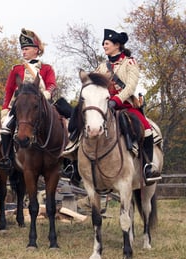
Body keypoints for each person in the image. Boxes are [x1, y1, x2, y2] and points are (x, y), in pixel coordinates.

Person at [67, 28, 161, 183]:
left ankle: (148, 166)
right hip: (103, 105)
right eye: (104, 44)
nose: (104, 46)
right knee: (81, 122)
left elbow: (130, 87)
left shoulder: (130, 63)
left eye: (107, 43)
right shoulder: (102, 67)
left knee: (147, 129)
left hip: (125, 106)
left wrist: (116, 100)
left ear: (117, 45)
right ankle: (73, 164)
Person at [0, 28, 57, 169]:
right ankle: (6, 158)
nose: (24, 52)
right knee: (6, 127)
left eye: (27, 48)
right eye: (23, 49)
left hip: (42, 105)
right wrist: (5, 109)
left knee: (62, 125)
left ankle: (63, 157)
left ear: (36, 49)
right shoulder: (16, 69)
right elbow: (9, 90)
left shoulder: (46, 68)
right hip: (21, 107)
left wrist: (47, 93)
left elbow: (52, 85)